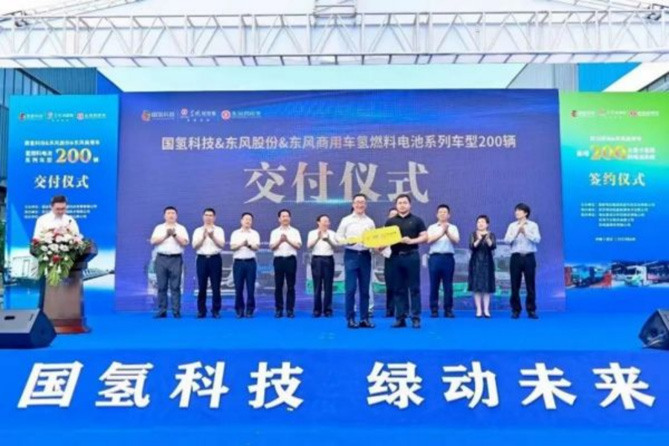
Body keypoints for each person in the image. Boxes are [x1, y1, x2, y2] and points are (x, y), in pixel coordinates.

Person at [385, 194, 427, 329]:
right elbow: (384, 239)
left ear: (410, 205)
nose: (402, 205)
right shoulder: (390, 222)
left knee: (414, 288)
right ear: (396, 205)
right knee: (398, 289)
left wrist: (411, 241)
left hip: (411, 256)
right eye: (399, 203)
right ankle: (400, 318)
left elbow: (425, 237)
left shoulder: (417, 220)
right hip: (395, 257)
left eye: (404, 203)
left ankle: (416, 318)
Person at [336, 194, 375, 329]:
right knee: (351, 288)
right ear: (353, 204)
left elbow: (374, 239)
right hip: (351, 255)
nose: (360, 205)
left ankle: (365, 318)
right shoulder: (346, 220)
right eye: (357, 202)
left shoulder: (370, 222)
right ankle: (350, 318)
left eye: (362, 202)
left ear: (366, 205)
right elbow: (338, 237)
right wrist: (347, 241)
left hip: (365, 255)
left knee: (365, 289)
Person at [150, 206, 189, 318]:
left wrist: (174, 235)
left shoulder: (181, 228)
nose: (171, 215)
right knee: (161, 286)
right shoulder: (159, 228)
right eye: (168, 213)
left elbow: (185, 243)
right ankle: (162, 310)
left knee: (175, 286)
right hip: (161, 258)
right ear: (164, 216)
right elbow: (153, 241)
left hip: (176, 259)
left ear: (176, 215)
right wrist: (166, 235)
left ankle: (176, 311)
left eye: (173, 213)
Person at [504, 203, 541, 319]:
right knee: (515, 285)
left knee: (530, 284)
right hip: (515, 257)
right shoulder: (512, 226)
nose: (516, 212)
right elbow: (506, 240)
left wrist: (526, 233)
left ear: (525, 213)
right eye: (516, 210)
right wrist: (516, 233)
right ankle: (516, 310)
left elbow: (537, 239)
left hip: (529, 257)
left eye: (519, 210)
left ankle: (531, 310)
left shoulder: (533, 225)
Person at [426, 204, 460, 318]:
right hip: (435, 258)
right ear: (437, 214)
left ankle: (448, 310)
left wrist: (447, 232)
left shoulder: (453, 227)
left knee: (448, 285)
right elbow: (429, 240)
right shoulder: (432, 227)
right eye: (440, 212)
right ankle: (434, 309)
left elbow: (456, 241)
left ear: (449, 215)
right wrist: (441, 232)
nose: (442, 214)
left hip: (448, 258)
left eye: (445, 212)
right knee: (434, 285)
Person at [191, 208, 225, 319]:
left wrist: (212, 237)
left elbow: (221, 245)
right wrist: (203, 237)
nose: (208, 217)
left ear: (214, 217)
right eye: (206, 215)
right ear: (203, 217)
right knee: (202, 286)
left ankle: (216, 310)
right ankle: (201, 311)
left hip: (215, 259)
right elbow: (194, 246)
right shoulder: (198, 230)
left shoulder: (219, 230)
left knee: (216, 286)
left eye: (210, 215)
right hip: (202, 259)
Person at [269, 209, 302, 318]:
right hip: (278, 260)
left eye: (287, 216)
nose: (285, 218)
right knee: (278, 286)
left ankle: (290, 310)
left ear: (290, 218)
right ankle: (279, 309)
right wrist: (280, 241)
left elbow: (298, 246)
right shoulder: (274, 232)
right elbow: (272, 247)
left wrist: (287, 240)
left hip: (290, 260)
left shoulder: (295, 231)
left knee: (291, 286)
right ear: (279, 219)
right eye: (283, 216)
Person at [230, 212, 261, 318]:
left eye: (250, 220)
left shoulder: (255, 233)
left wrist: (248, 245)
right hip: (238, 263)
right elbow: (232, 247)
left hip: (250, 263)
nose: (248, 221)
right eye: (246, 219)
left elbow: (257, 247)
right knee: (238, 287)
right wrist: (241, 244)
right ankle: (239, 309)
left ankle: (250, 310)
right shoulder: (235, 233)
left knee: (251, 287)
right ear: (241, 221)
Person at [307, 214, 338, 317]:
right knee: (317, 285)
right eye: (324, 221)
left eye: (328, 221)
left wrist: (328, 240)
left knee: (328, 285)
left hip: (328, 259)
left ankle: (328, 309)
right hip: (317, 260)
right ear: (318, 222)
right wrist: (318, 237)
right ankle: (317, 310)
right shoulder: (312, 233)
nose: (326, 223)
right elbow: (309, 246)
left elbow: (336, 247)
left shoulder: (332, 233)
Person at [468, 215, 496, 318]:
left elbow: (493, 246)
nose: (480, 224)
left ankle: (486, 310)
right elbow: (472, 246)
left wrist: (487, 239)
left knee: (487, 286)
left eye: (483, 222)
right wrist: (479, 239)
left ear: (487, 224)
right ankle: (479, 310)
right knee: (477, 286)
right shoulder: (473, 234)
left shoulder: (491, 234)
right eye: (478, 222)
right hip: (475, 262)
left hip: (487, 262)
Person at [384, 207, 398, 318]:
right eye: (391, 215)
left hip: (402, 257)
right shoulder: (384, 230)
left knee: (403, 285)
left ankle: (403, 309)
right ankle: (390, 309)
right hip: (389, 258)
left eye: (395, 215)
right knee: (390, 285)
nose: (393, 217)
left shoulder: (404, 228)